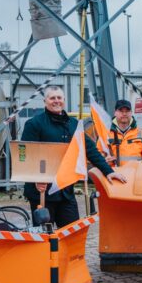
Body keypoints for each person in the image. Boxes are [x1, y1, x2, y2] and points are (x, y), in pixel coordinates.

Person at [21, 86, 127, 227]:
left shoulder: (74, 125)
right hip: (42, 192)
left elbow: (91, 150)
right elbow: (25, 154)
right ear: (45, 101)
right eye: (52, 98)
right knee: (46, 238)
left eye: (59, 97)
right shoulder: (34, 124)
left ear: (64, 100)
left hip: (66, 191)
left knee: (72, 232)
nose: (56, 101)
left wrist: (109, 171)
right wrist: (35, 179)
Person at [106, 99, 142, 166]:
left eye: (127, 111)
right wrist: (105, 160)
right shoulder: (106, 134)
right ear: (115, 112)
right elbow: (97, 158)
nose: (124, 114)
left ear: (131, 112)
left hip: (136, 175)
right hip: (114, 175)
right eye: (121, 111)